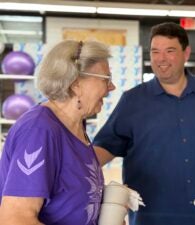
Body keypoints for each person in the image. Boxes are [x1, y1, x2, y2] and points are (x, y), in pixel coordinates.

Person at [92, 22, 195, 225]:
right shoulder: (133, 100)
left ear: (186, 53)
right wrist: (71, 168)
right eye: (155, 51)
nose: (161, 59)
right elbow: (105, 147)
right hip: (151, 216)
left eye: (170, 51)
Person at [0, 40, 115, 225]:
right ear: (76, 83)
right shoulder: (39, 131)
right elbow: (15, 219)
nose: (112, 87)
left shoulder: (76, 128)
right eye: (106, 79)